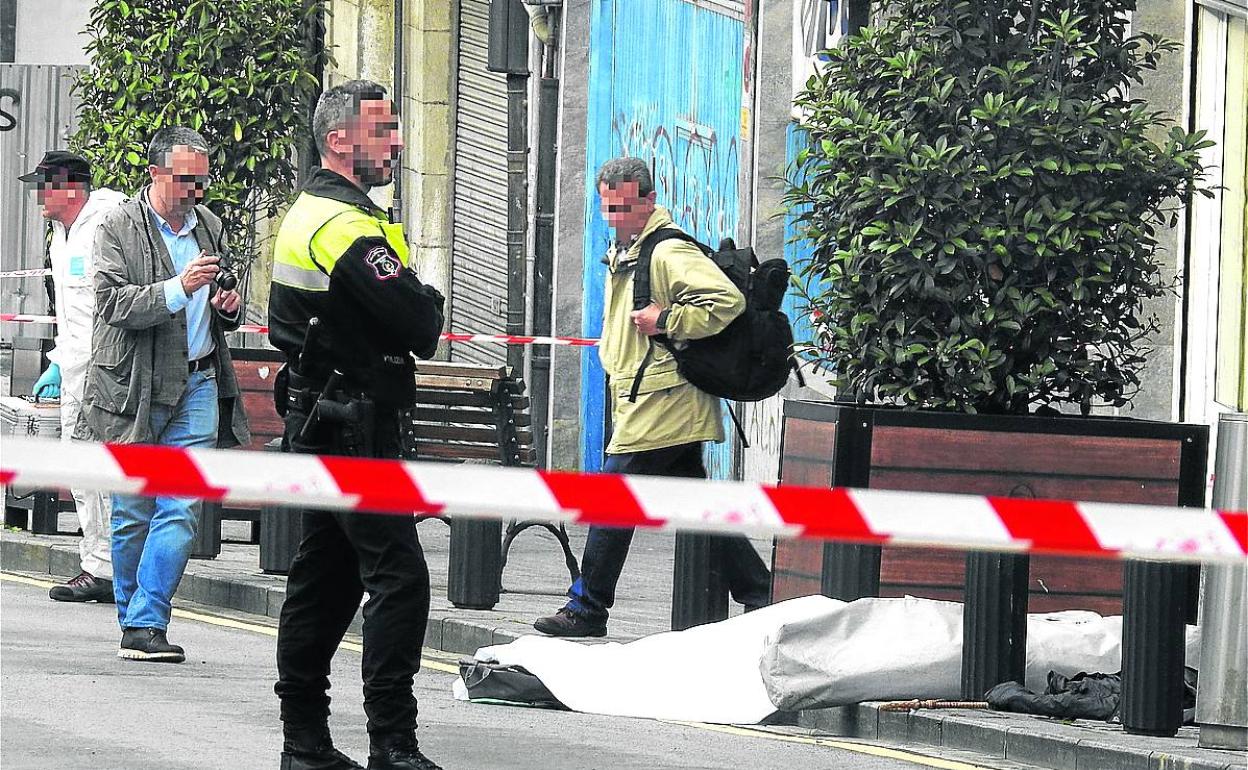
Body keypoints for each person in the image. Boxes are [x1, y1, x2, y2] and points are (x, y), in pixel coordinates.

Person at [269, 80, 445, 770]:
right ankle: (392, 745)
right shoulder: (344, 225)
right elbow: (420, 323)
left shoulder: (311, 210)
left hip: (319, 416)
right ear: (339, 139)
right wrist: (420, 293)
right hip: (353, 426)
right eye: (383, 129)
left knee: (327, 578)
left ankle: (305, 742)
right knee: (399, 577)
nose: (396, 142)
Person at [533, 157, 772, 639]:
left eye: (623, 207)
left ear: (648, 200)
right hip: (646, 395)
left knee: (613, 497)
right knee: (697, 503)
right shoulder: (628, 248)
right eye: (607, 207)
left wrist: (666, 321)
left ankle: (588, 607)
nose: (614, 216)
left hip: (664, 398)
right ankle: (760, 591)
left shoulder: (665, 252)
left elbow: (727, 302)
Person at [77, 126, 250, 662]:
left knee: (180, 508)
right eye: (185, 179)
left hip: (198, 381)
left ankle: (148, 620)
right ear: (155, 174)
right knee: (132, 512)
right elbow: (112, 304)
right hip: (134, 386)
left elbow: (218, 309)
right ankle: (133, 618)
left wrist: (227, 307)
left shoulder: (210, 226)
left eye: (202, 179)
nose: (196, 190)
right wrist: (181, 288)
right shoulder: (116, 226)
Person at [19, 151, 125, 603]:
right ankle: (98, 565)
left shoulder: (110, 219)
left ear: (70, 187)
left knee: (114, 474)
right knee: (83, 471)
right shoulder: (58, 236)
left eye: (45, 186)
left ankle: (117, 566)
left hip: (111, 373)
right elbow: (70, 312)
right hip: (77, 372)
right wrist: (59, 362)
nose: (39, 196)